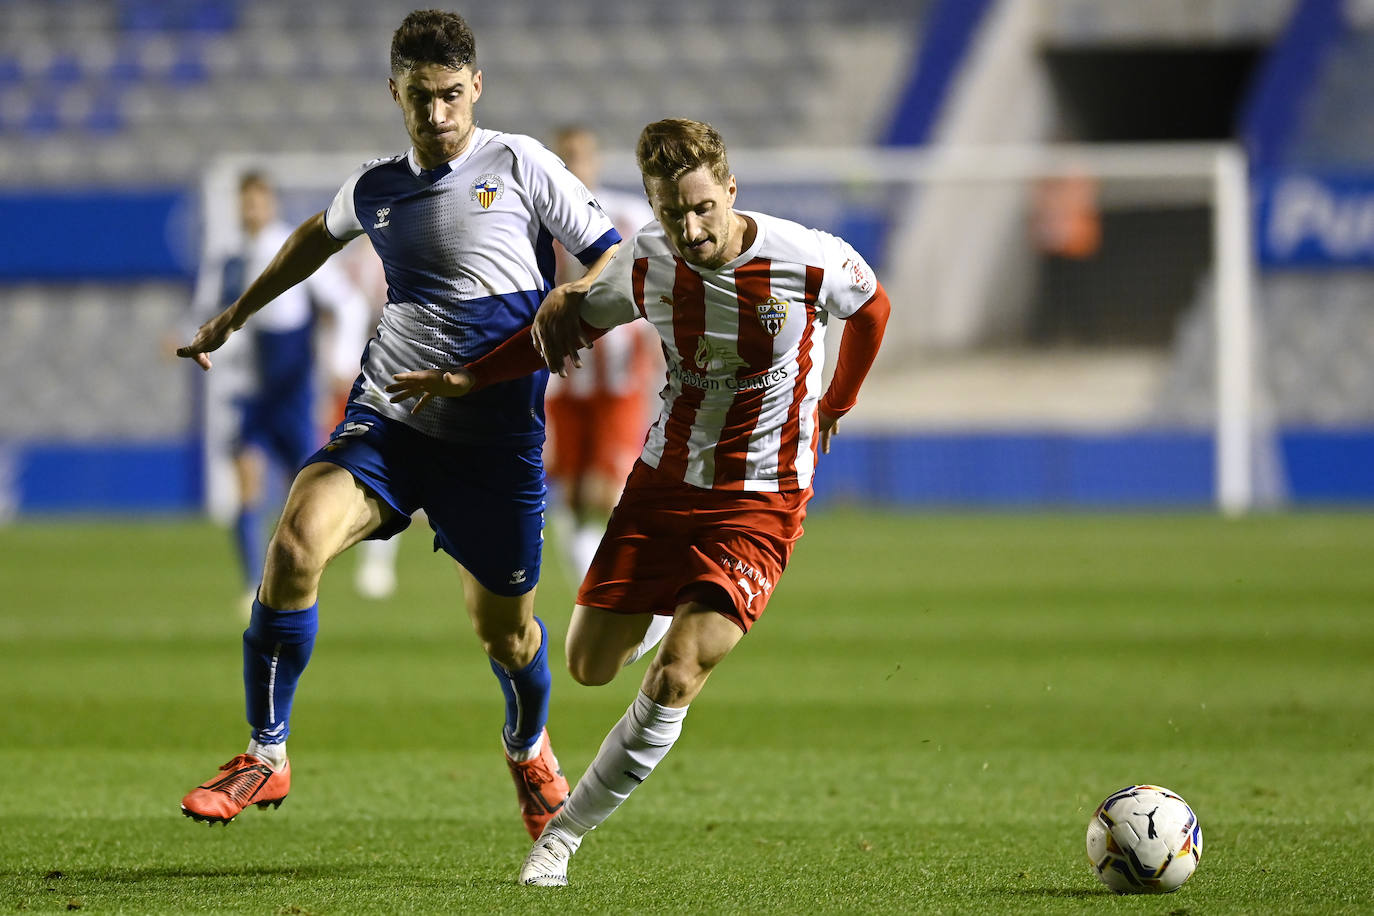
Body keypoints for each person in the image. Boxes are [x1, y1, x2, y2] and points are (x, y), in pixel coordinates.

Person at [385, 117, 891, 886]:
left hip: (760, 502)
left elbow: (874, 310)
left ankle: (560, 838)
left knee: (678, 674)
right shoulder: (646, 265)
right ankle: (665, 609)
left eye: (701, 208)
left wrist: (836, 401)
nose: (689, 228)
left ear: (729, 189)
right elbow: (552, 337)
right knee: (588, 666)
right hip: (661, 487)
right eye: (670, 212)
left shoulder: (809, 258)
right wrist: (465, 379)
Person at [174, 9, 622, 841]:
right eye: (422, 98)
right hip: (392, 419)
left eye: (453, 95)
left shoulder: (521, 163)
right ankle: (265, 751)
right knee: (296, 540)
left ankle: (527, 744)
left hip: (494, 442)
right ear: (396, 94)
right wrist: (234, 315)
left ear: (477, 87)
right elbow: (315, 235)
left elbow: (608, 254)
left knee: (508, 632)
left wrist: (569, 300)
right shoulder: (377, 186)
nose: (440, 115)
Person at [188, 172, 370, 614]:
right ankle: (254, 582)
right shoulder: (227, 258)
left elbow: (348, 303)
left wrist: (342, 363)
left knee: (302, 492)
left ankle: (301, 574)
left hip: (291, 390)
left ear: (269, 204)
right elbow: (203, 312)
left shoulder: (292, 248)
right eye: (244, 202)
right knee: (247, 483)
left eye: (257, 201)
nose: (251, 210)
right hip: (247, 390)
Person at [545, 125, 661, 583]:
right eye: (566, 156)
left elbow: (654, 283)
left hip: (619, 373)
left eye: (582, 155)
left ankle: (625, 573)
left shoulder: (627, 216)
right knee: (571, 489)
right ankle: (586, 572)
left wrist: (660, 343)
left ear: (595, 160)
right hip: (565, 373)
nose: (575, 164)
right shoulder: (540, 222)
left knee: (608, 487)